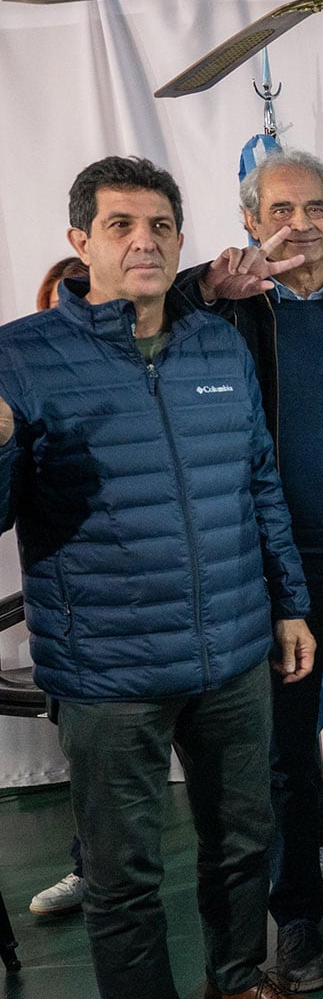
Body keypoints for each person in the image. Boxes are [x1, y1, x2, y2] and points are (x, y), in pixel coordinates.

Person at [0, 156, 323, 999]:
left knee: (244, 839)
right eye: (120, 226)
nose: (142, 242)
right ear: (80, 242)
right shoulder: (20, 356)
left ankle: (236, 977)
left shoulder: (216, 344)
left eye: (159, 226)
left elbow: (259, 482)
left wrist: (289, 606)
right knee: (124, 871)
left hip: (231, 650)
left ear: (181, 241)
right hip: (108, 671)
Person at [171, 148, 323, 991]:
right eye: (280, 210)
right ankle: (298, 918)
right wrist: (207, 284)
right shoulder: (221, 314)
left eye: (314, 209)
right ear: (249, 221)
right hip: (267, 580)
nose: (299, 225)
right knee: (283, 761)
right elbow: (125, 310)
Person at [25, 253, 94, 920]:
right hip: (80, 628)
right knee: (96, 774)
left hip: (187, 626)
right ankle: (88, 869)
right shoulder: (25, 380)